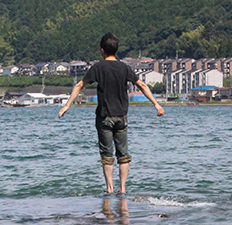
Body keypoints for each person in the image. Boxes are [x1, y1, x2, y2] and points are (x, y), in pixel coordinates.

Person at [58, 32, 164, 195]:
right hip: (121, 116)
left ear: (102, 50)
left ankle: (109, 189)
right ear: (117, 49)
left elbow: (80, 85)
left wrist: (67, 105)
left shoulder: (98, 67)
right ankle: (122, 189)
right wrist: (156, 104)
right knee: (123, 154)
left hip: (104, 117)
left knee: (106, 154)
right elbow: (141, 84)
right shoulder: (124, 67)